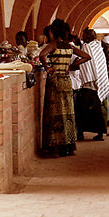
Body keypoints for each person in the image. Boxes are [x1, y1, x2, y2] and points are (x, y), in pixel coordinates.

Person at [39, 19, 90, 157]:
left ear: (54, 32)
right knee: (68, 113)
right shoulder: (69, 47)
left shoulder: (54, 44)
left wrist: (47, 68)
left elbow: (41, 54)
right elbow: (87, 56)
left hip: (55, 81)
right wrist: (72, 66)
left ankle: (55, 149)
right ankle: (69, 147)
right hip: (67, 82)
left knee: (54, 113)